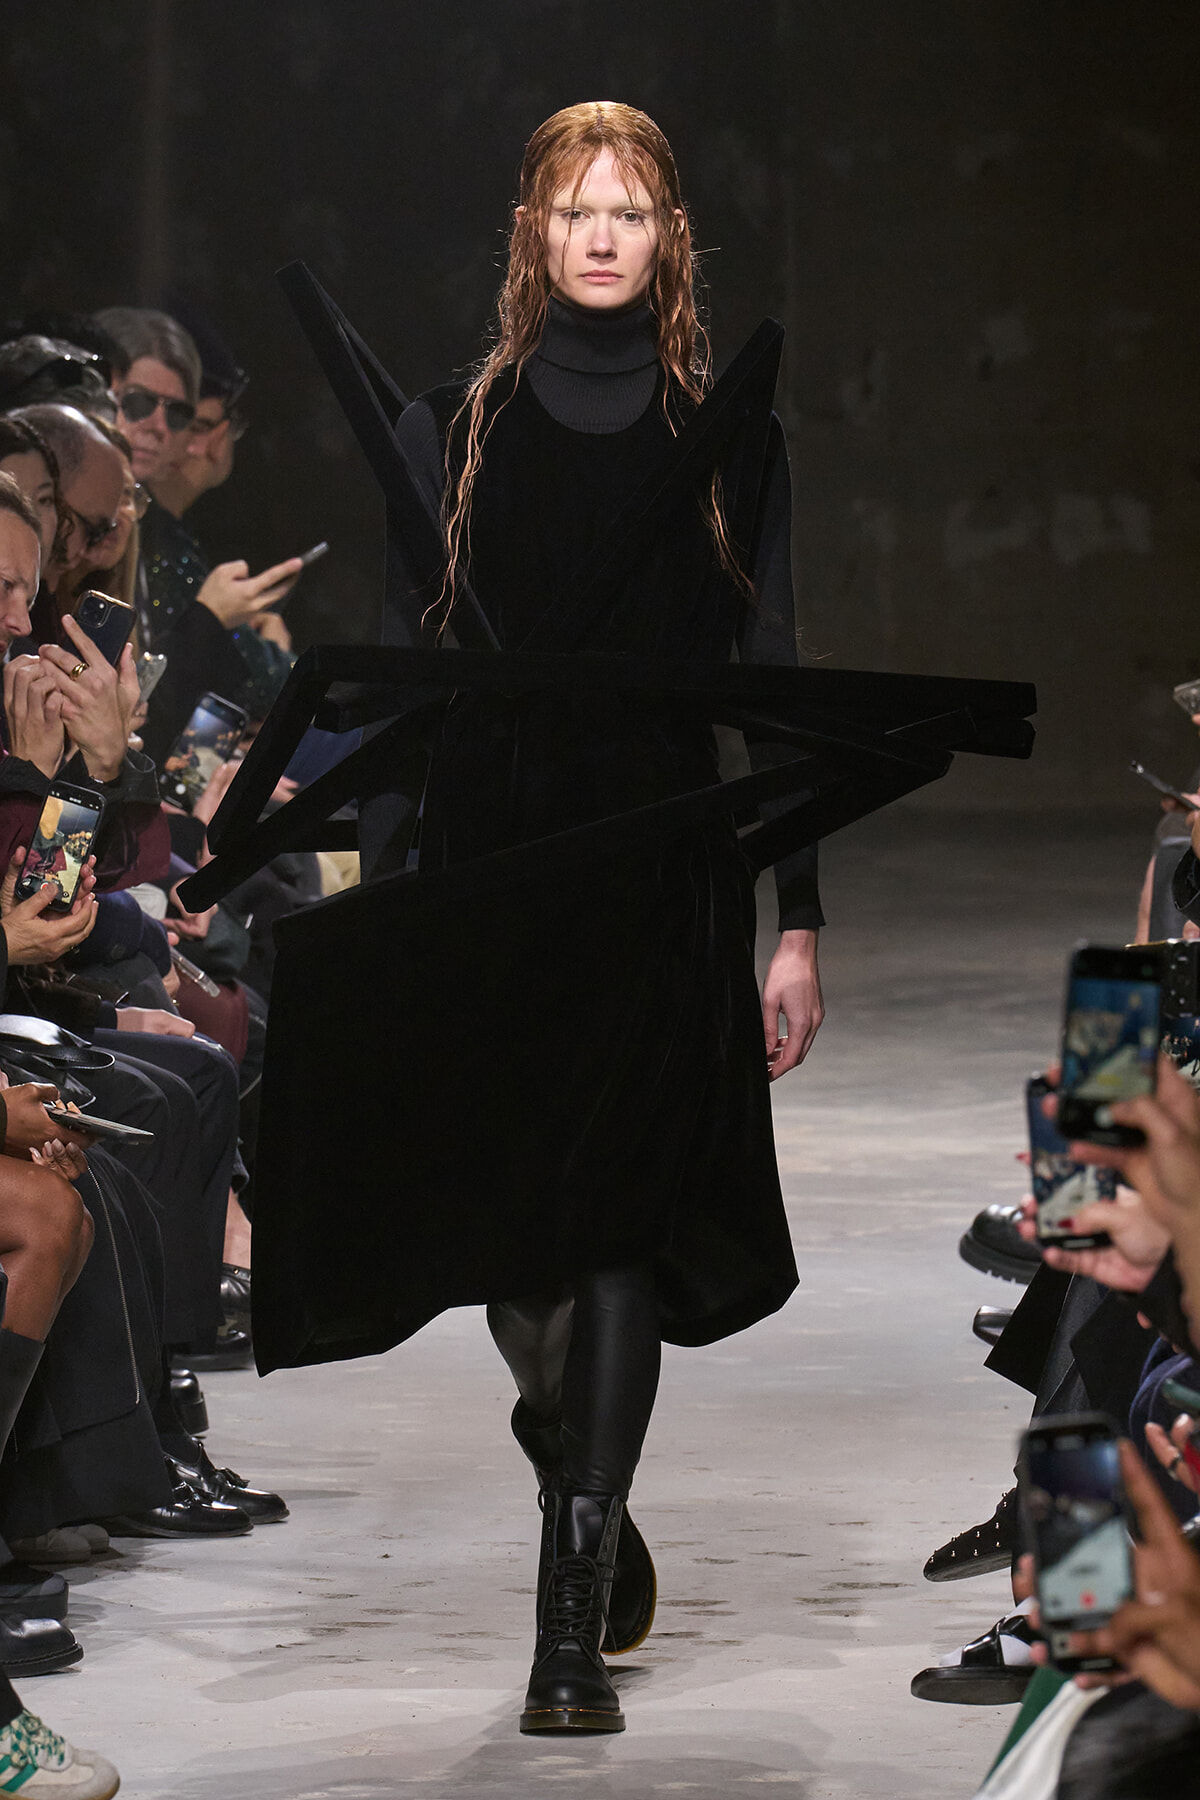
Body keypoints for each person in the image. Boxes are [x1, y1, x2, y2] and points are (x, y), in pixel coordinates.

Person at [278, 101, 825, 1737]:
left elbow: (775, 680)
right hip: (492, 867)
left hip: (661, 876)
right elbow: (400, 677)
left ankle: (566, 1633)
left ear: (670, 242)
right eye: (575, 208)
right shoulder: (452, 423)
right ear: (531, 229)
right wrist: (379, 892)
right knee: (511, 1234)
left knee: (611, 1240)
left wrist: (797, 915)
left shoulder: (725, 435)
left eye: (634, 211)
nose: (602, 234)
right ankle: (577, 1449)